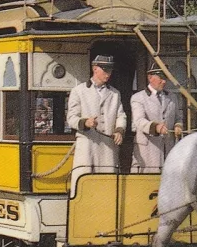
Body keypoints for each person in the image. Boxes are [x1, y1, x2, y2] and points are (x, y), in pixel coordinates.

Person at [66, 55, 127, 192]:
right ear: (95, 69)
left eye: (110, 70)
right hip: (87, 144)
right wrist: (85, 122)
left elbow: (121, 115)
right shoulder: (79, 91)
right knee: (83, 181)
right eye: (105, 70)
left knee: (108, 184)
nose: (108, 74)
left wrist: (119, 130)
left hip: (108, 147)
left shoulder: (115, 93)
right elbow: (71, 118)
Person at [130, 67, 183, 173]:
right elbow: (139, 121)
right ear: (150, 77)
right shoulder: (138, 98)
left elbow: (178, 117)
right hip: (147, 152)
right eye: (161, 78)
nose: (164, 81)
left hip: (168, 150)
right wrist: (156, 127)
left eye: (165, 78)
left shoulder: (172, 97)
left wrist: (178, 126)